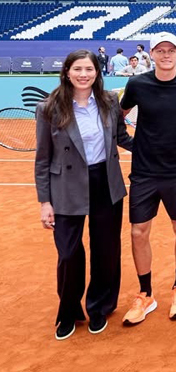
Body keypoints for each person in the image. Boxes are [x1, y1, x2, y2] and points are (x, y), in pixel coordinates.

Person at [35, 50, 133, 340]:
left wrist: (156, 145)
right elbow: (42, 159)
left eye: (89, 69)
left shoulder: (109, 101)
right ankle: (69, 310)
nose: (83, 74)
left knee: (106, 250)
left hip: (105, 181)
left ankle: (99, 306)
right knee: (68, 253)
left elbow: (122, 138)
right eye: (77, 69)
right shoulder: (49, 108)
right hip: (66, 186)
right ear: (67, 72)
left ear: (97, 72)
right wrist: (45, 202)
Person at [120, 32, 176, 326]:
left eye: (171, 50)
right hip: (144, 171)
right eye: (160, 50)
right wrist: (130, 143)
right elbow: (119, 114)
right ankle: (146, 294)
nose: (166, 55)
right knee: (138, 232)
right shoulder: (137, 84)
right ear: (152, 54)